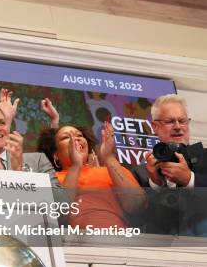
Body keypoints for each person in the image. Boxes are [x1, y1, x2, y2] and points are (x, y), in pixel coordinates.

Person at [37, 122, 144, 228]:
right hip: (72, 242)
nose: (76, 139)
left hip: (119, 240)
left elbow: (136, 206)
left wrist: (109, 157)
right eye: (66, 137)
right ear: (55, 155)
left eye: (79, 135)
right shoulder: (49, 178)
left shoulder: (112, 171)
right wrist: (75, 166)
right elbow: (57, 214)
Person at [132, 94, 207, 235]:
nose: (178, 127)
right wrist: (154, 183)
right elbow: (134, 218)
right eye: (170, 121)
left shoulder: (205, 157)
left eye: (182, 121)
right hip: (159, 250)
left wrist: (190, 180)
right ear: (155, 126)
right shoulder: (141, 172)